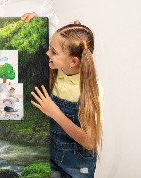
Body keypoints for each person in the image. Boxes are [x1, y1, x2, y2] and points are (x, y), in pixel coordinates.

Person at [31, 20, 103, 177]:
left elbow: (90, 142)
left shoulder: (92, 90)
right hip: (51, 159)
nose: (48, 53)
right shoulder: (55, 71)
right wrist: (35, 22)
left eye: (54, 52)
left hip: (79, 166)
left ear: (73, 61)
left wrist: (55, 113)